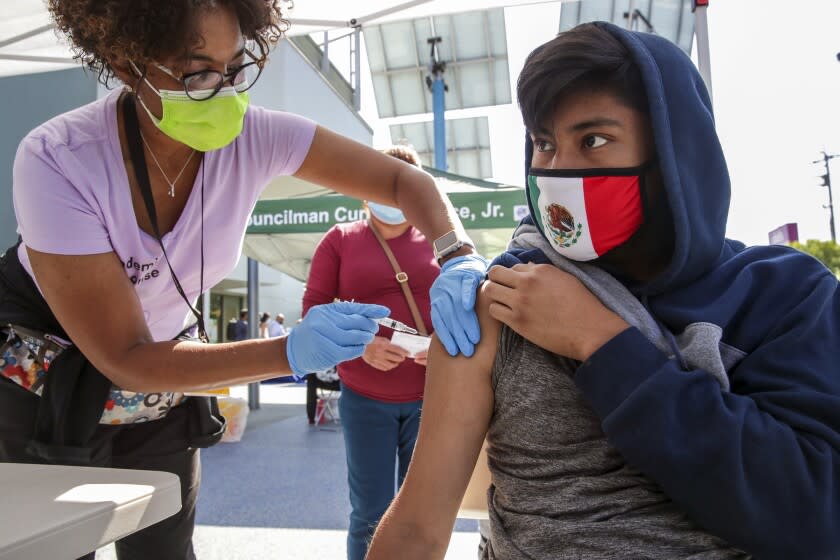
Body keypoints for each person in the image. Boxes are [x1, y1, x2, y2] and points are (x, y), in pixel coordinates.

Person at [0, 2, 487, 559]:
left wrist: (459, 254)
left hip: (163, 388)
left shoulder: (255, 137)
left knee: (166, 549)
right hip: (47, 385)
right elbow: (126, 354)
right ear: (125, 59)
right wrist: (290, 351)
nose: (227, 92)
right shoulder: (59, 158)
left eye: (237, 67)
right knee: (53, 549)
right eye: (199, 71)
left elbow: (402, 180)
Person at [368, 22, 840, 560]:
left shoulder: (786, 296)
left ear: (670, 155)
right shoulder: (504, 295)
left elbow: (817, 516)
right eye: (544, 144)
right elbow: (418, 528)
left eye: (593, 140)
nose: (558, 169)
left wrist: (604, 342)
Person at [303, 145, 439, 560]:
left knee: (425, 515)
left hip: (431, 400)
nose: (393, 194)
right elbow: (313, 313)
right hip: (365, 399)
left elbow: (467, 307)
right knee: (369, 514)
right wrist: (363, 347)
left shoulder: (440, 239)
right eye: (383, 180)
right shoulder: (340, 240)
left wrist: (443, 348)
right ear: (364, 190)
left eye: (403, 182)